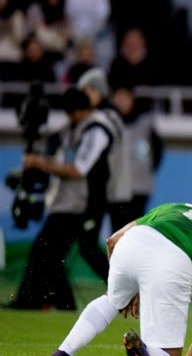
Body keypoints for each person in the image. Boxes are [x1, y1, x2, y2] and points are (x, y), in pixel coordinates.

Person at [39, 192, 192, 356]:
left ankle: (61, 355)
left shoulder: (179, 208)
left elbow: (112, 241)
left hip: (133, 242)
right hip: (174, 263)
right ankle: (146, 355)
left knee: (112, 300)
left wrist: (131, 288)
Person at [3, 88, 112, 310]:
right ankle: (44, 301)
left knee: (51, 253)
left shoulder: (96, 131)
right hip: (64, 203)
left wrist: (41, 164)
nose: (70, 117)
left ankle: (49, 302)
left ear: (83, 110)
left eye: (73, 112)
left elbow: (79, 169)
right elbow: (57, 157)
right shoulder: (72, 129)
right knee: (48, 253)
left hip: (80, 204)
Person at [77, 67, 133, 232]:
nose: (85, 96)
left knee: (109, 243)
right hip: (114, 190)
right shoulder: (110, 115)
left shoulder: (104, 118)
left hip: (112, 190)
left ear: (98, 91)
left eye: (88, 90)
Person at [110, 86, 164, 220]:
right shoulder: (109, 123)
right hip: (115, 188)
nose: (121, 102)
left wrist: (145, 171)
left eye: (125, 97)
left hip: (139, 187)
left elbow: (157, 151)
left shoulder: (145, 123)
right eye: (118, 97)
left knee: (135, 227)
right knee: (117, 228)